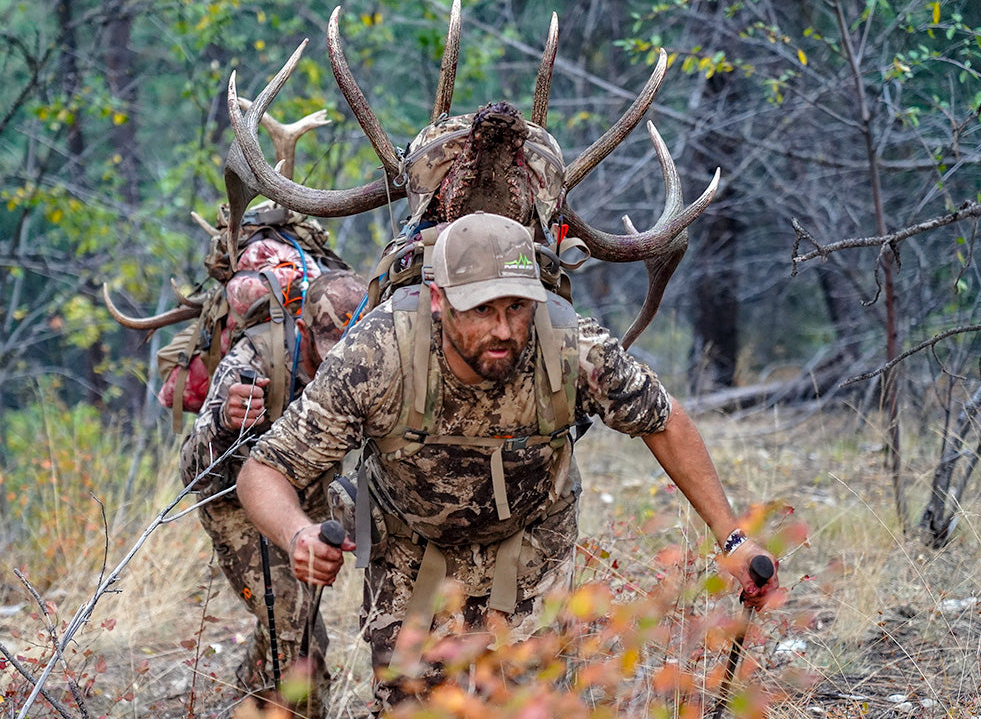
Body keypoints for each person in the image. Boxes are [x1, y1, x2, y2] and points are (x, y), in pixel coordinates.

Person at [236, 211, 781, 712]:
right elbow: (264, 470)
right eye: (481, 310)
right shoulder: (377, 355)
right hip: (410, 556)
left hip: (531, 551)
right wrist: (299, 535)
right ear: (437, 299)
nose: (503, 330)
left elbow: (664, 420)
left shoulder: (568, 344)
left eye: (516, 308)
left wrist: (733, 539)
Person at [179, 268, 368, 715]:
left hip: (308, 498)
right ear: (302, 330)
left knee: (288, 617)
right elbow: (190, 472)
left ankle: (253, 692)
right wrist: (226, 421)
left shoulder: (370, 356)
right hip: (237, 506)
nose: (338, 367)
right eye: (327, 355)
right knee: (299, 628)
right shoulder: (253, 361)